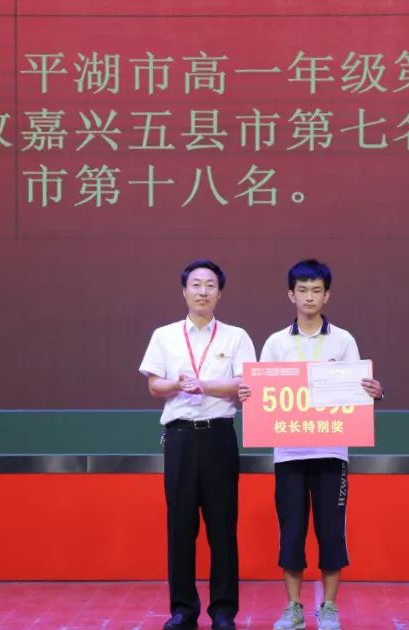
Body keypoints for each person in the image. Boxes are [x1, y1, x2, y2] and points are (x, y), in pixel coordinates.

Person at [239, 259, 383, 630]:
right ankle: (293, 608)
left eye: (316, 290)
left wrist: (373, 392)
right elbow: (262, 393)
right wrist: (249, 394)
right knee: (292, 531)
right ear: (291, 294)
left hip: (332, 452)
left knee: (331, 531)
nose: (309, 297)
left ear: (326, 295)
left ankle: (329, 607)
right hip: (289, 454)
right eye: (302, 290)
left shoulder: (343, 340)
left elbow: (357, 390)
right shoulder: (276, 343)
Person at [140, 259, 256, 630]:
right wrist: (176, 384)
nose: (202, 291)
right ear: (184, 291)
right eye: (196, 284)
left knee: (222, 527)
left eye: (210, 285)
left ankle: (223, 611)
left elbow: (244, 384)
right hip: (180, 438)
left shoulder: (236, 337)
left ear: (220, 293)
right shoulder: (164, 335)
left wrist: (203, 386)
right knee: (180, 526)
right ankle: (183, 610)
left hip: (219, 436)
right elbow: (154, 385)